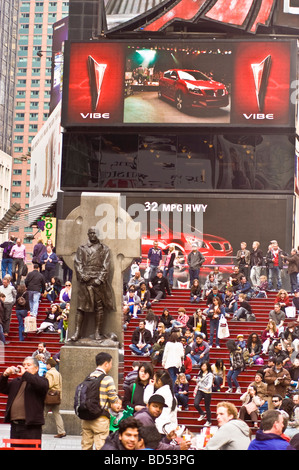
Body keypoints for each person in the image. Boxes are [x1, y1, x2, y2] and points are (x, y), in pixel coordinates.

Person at [71, 227, 115, 342]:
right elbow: (77, 263)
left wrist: (100, 279)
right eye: (90, 233)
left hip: (97, 282)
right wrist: (81, 275)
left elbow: (107, 265)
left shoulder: (104, 249)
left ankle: (97, 332)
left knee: (99, 307)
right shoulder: (81, 248)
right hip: (84, 281)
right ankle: (77, 333)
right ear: (88, 234)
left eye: (95, 233)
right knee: (80, 308)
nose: (92, 235)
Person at [0, 356, 48, 445]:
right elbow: (2, 388)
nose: (25, 367)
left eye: (28, 365)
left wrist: (25, 374)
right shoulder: (17, 381)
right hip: (15, 425)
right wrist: (4, 375)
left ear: (36, 368)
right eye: (24, 365)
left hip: (31, 426)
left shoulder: (42, 380)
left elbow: (42, 386)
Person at [80, 352, 118, 450]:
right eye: (111, 363)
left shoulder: (88, 377)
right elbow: (113, 399)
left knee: (86, 447)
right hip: (101, 418)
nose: (111, 366)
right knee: (101, 447)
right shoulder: (107, 379)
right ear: (106, 364)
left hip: (86, 418)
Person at [143, 370, 178, 435]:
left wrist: (150, 386)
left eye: (154, 379)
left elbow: (147, 400)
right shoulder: (170, 393)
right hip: (169, 428)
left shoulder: (162, 392)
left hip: (161, 428)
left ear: (159, 381)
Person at [44, 357, 66, 438]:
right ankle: (61, 431)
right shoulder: (58, 373)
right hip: (57, 397)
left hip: (50, 397)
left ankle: (38, 428)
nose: (46, 366)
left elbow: (49, 384)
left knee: (43, 413)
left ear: (49, 365)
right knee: (57, 414)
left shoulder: (49, 373)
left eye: (46, 364)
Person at [193, 361, 213, 425]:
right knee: (196, 403)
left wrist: (207, 387)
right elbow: (198, 380)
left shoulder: (210, 374)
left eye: (204, 366)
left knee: (207, 406)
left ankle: (209, 421)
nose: (203, 367)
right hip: (200, 390)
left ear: (207, 366)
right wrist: (195, 380)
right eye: (202, 366)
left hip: (207, 391)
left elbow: (210, 382)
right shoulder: (200, 372)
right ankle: (202, 413)